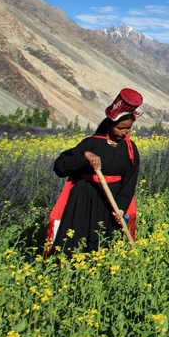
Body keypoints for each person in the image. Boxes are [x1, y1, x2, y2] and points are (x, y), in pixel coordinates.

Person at [46, 89, 143, 255]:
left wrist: (121, 208)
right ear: (109, 125)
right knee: (75, 242)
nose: (124, 133)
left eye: (128, 129)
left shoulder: (130, 149)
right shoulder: (90, 144)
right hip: (84, 198)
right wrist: (84, 156)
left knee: (104, 244)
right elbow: (60, 166)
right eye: (120, 128)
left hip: (111, 201)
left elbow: (130, 180)